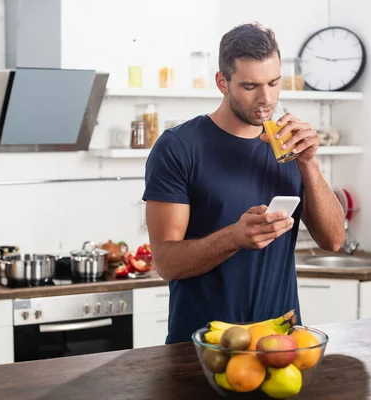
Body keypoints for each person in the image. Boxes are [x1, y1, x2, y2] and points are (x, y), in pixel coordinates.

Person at [142, 22, 345, 344]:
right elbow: (166, 263)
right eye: (250, 86)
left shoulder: (290, 145)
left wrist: (309, 165)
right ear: (223, 82)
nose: (266, 99)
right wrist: (234, 237)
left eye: (274, 83)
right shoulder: (179, 146)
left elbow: (333, 241)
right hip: (202, 344)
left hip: (282, 341)